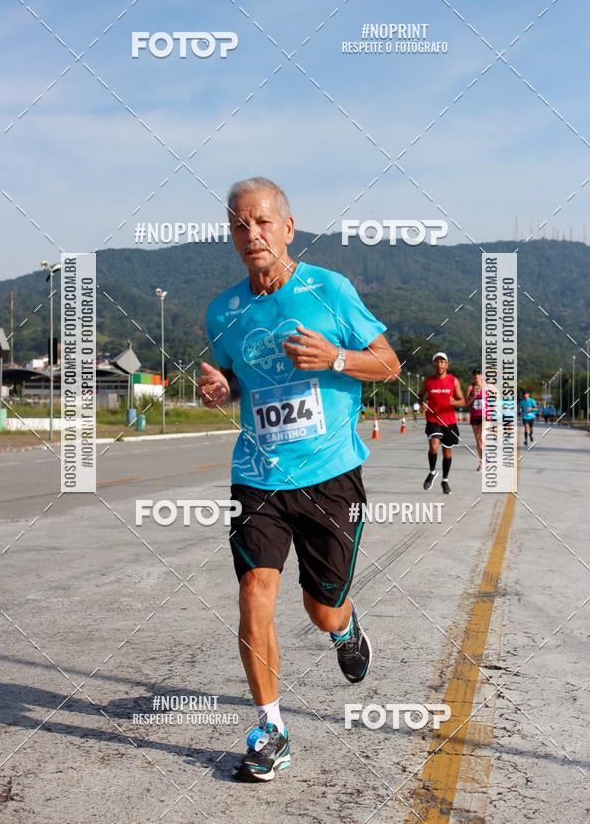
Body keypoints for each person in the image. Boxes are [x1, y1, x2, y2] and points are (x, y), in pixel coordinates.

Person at [200, 177, 400, 782]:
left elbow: (388, 364)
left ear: (287, 228)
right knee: (254, 590)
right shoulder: (223, 311)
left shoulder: (329, 290)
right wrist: (221, 389)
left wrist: (334, 357)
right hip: (257, 474)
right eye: (239, 224)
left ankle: (346, 627)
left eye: (262, 221)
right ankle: (271, 730)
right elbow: (237, 381)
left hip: (329, 476)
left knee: (322, 611)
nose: (252, 234)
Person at [417, 352, 466, 495]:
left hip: (449, 421)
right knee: (433, 444)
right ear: (434, 364)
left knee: (447, 451)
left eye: (443, 362)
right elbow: (420, 395)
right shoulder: (428, 381)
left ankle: (445, 480)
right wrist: (422, 403)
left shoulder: (453, 381)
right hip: (433, 419)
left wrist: (454, 402)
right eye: (437, 362)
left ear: (447, 364)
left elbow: (462, 401)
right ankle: (432, 472)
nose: (440, 364)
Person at [465, 368, 484, 470]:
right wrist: (473, 395)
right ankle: (482, 461)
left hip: (485, 416)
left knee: (481, 437)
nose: (476, 376)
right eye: (475, 374)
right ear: (472, 376)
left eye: (478, 374)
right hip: (474, 415)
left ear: (482, 375)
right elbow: (466, 403)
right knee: (478, 440)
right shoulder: (470, 388)